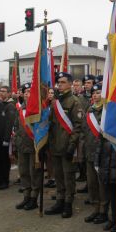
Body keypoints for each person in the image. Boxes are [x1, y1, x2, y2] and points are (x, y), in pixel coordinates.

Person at [45, 72, 83, 218]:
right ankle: (59, 201)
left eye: (62, 82)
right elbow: (50, 123)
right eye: (58, 82)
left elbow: (77, 126)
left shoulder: (74, 102)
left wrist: (71, 146)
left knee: (68, 177)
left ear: (70, 84)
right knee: (58, 176)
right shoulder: (55, 102)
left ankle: (68, 203)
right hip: (55, 146)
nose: (59, 85)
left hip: (67, 146)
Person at [82, 84, 108, 225]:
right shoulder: (89, 111)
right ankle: (96, 209)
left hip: (103, 155)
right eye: (94, 93)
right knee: (92, 184)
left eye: (98, 92)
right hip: (90, 153)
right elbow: (84, 131)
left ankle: (104, 210)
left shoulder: (106, 111)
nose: (95, 95)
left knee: (101, 184)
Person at [15, 82, 43, 210]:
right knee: (24, 172)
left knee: (34, 173)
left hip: (33, 147)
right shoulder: (21, 108)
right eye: (25, 92)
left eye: (29, 92)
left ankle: (33, 198)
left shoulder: (38, 109)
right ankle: (26, 196)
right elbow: (16, 126)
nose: (26, 94)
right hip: (22, 146)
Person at [0, 86, 17, 190]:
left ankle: (5, 181)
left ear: (9, 94)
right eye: (0, 91)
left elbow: (9, 123)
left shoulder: (10, 106)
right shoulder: (0, 104)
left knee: (5, 161)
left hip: (6, 137)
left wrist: (6, 139)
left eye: (4, 91)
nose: (1, 93)